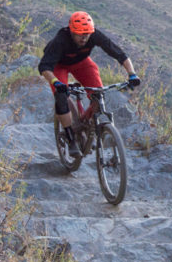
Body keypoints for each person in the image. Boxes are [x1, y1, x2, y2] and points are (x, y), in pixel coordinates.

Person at [39, 11, 141, 158]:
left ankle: (87, 125)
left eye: (87, 34)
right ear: (72, 31)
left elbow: (118, 53)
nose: (84, 37)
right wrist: (56, 82)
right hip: (58, 65)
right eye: (80, 34)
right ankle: (70, 138)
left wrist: (132, 74)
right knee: (61, 96)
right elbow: (44, 67)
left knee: (98, 95)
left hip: (82, 63)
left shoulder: (94, 35)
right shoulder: (60, 40)